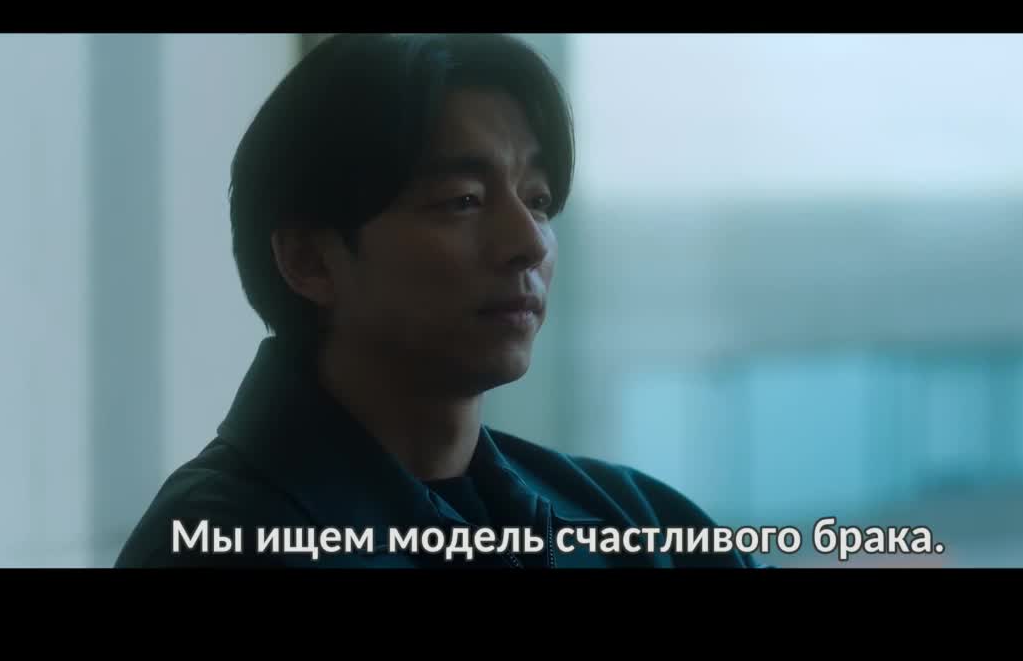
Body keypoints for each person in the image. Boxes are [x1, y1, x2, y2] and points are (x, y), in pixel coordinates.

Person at [115, 33, 760, 569]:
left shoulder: (631, 519)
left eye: (537, 200)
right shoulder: (223, 541)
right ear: (310, 261)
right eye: (462, 200)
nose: (528, 243)